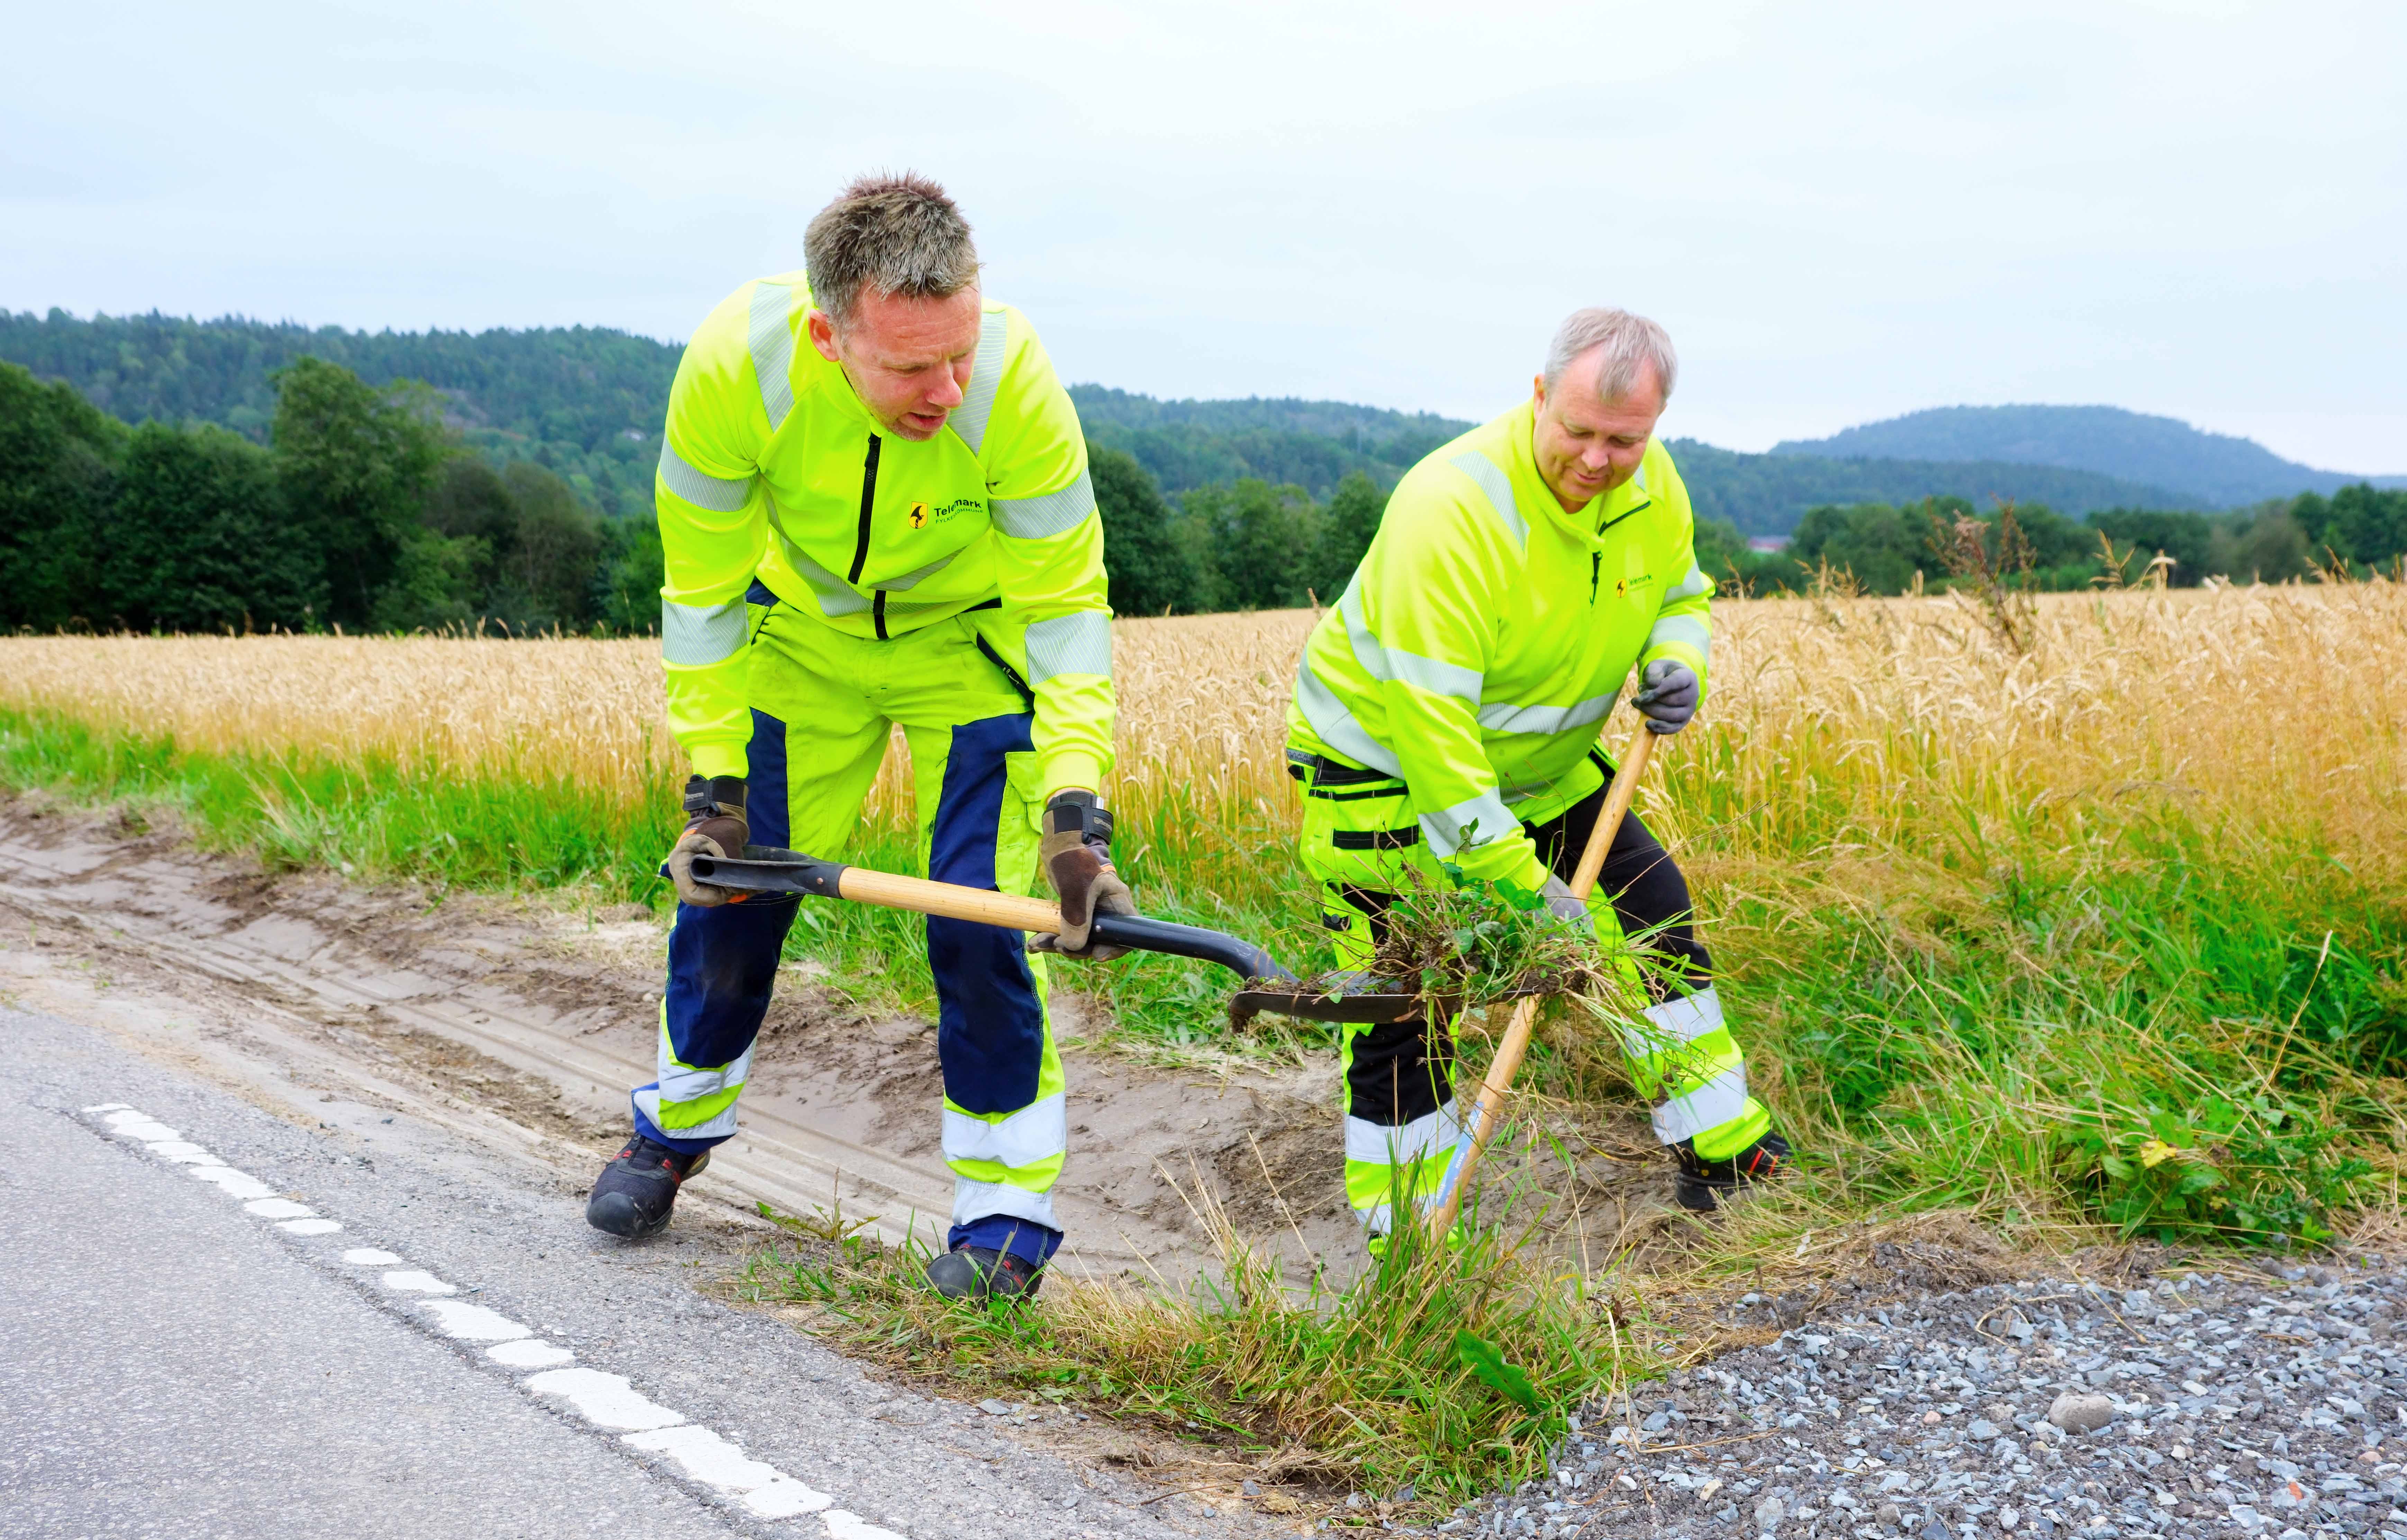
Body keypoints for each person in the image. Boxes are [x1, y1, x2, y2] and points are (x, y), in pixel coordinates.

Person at [584, 173, 1131, 1302]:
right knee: (734, 890)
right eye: (911, 365)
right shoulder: (738, 367)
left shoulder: (1012, 379)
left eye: (960, 351)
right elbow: (702, 592)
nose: (948, 387)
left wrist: (1075, 814)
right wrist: (713, 778)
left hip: (967, 650)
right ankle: (676, 1126)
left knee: (975, 916)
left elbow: (1067, 608)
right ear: (829, 336)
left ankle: (1004, 1211)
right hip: (808, 643)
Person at [1283, 306, 1790, 1238]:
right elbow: (1434, 745)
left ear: (1655, 425)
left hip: (1543, 768)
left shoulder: (1654, 485)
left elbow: (1679, 593)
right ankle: (1409, 1228)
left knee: (1653, 911)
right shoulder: (1451, 509)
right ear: (1537, 395)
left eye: (1625, 441)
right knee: (1403, 991)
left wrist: (1679, 662)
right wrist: (1526, 892)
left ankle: (1721, 1149)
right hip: (1386, 771)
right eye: (1580, 433)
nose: (1598, 462)